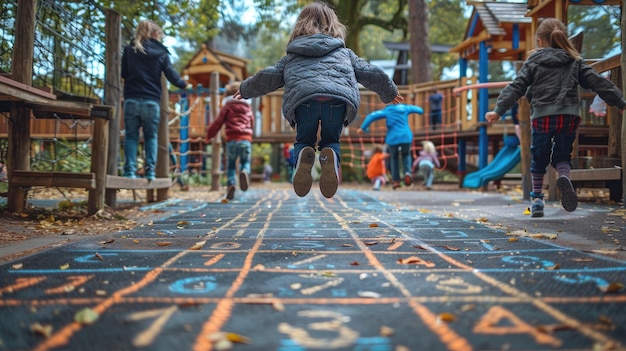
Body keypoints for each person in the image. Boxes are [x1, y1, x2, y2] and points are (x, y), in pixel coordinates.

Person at [235, 1, 402, 198]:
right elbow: (368, 71)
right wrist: (389, 92)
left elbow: (270, 76)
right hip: (336, 100)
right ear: (334, 25)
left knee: (304, 139)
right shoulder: (344, 53)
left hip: (304, 100)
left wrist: (245, 89)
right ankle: (328, 156)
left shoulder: (293, 55)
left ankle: (304, 155)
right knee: (331, 139)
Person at [485, 18, 626, 218]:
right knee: (562, 155)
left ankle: (537, 199)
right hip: (569, 116)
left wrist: (499, 110)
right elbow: (596, 81)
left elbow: (517, 86)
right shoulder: (575, 61)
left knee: (539, 157)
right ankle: (564, 177)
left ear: (540, 41)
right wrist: (620, 102)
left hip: (543, 116)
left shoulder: (533, 61)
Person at [122, 20, 189, 180]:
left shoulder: (129, 50)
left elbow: (123, 73)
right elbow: (172, 76)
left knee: (131, 136)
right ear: (155, 34)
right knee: (151, 136)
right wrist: (184, 84)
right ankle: (150, 171)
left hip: (131, 100)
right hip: (151, 102)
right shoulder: (161, 53)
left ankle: (130, 171)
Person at [206, 81, 254, 200]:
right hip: (245, 140)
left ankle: (231, 184)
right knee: (245, 162)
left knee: (231, 166)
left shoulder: (227, 107)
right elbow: (252, 121)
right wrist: (249, 134)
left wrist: (209, 135)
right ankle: (244, 171)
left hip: (232, 140)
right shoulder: (247, 107)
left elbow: (218, 122)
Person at [357, 103, 423, 189]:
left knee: (393, 158)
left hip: (393, 138)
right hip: (406, 136)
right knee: (406, 155)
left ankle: (396, 181)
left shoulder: (388, 110)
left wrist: (363, 128)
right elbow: (419, 110)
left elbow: (372, 116)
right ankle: (407, 172)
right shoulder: (405, 108)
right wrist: (420, 112)